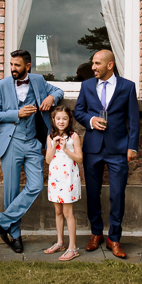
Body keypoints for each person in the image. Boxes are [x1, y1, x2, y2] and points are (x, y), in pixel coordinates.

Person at [0, 49, 64, 253]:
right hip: (11, 143)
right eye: (11, 65)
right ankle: (15, 234)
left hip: (33, 143)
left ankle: (2, 220)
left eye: (17, 65)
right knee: (11, 191)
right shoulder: (1, 86)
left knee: (36, 185)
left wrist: (51, 99)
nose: (13, 69)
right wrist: (16, 113)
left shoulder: (38, 81)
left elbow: (59, 91)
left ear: (27, 66)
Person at [73, 50, 140, 259]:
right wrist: (91, 121)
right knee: (92, 193)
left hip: (118, 149)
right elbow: (78, 111)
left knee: (117, 194)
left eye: (97, 63)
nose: (93, 67)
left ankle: (115, 238)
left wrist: (132, 146)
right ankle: (96, 233)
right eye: (92, 63)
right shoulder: (86, 86)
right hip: (92, 147)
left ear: (110, 65)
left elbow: (134, 119)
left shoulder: (127, 87)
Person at [44, 106, 83, 261]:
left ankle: (73, 248)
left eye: (65, 118)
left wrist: (65, 148)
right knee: (58, 212)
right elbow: (48, 160)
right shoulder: (50, 137)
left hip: (69, 178)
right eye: (58, 118)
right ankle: (60, 242)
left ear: (69, 120)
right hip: (55, 178)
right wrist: (54, 145)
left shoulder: (74, 136)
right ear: (53, 120)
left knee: (68, 213)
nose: (61, 121)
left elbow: (79, 158)